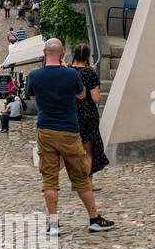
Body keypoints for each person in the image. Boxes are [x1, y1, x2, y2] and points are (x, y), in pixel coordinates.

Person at [27, 38, 115, 235]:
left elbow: (33, 99)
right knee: (81, 177)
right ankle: (93, 219)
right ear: (62, 54)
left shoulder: (34, 75)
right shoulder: (70, 75)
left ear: (44, 52)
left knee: (49, 179)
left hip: (46, 130)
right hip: (68, 130)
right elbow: (83, 95)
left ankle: (53, 224)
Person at [70, 43, 110, 180]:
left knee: (73, 151)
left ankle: (76, 181)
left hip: (70, 114)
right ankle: (86, 184)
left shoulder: (68, 72)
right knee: (87, 152)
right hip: (87, 116)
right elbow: (97, 98)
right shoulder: (90, 74)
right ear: (88, 56)